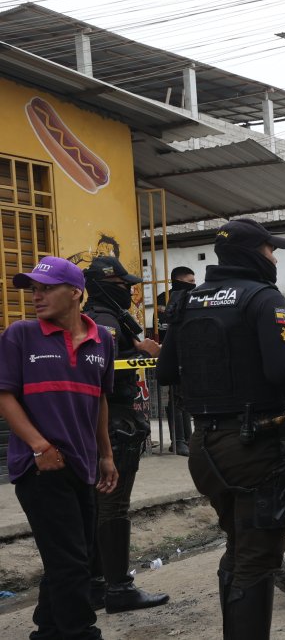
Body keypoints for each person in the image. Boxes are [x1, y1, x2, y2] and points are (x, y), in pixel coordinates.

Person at [157, 219, 285, 639]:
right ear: (251, 253)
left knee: (239, 547)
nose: (274, 258)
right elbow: (280, 370)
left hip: (204, 446)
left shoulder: (188, 300)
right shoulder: (263, 297)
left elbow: (165, 372)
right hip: (254, 445)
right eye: (270, 250)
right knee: (256, 559)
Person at [0, 256, 119, 640]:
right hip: (39, 466)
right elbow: (4, 396)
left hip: (82, 464)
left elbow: (100, 399)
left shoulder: (103, 340)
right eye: (34, 289)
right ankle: (81, 633)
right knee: (71, 562)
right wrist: (39, 447)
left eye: (46, 288)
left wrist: (106, 455)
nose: (37, 296)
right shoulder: (20, 335)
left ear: (75, 293)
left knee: (73, 555)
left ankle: (48, 632)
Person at [82, 257, 171, 614]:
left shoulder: (99, 316)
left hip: (107, 422)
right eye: (124, 286)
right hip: (114, 422)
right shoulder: (104, 320)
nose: (130, 292)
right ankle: (118, 587)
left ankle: (96, 585)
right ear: (105, 286)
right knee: (113, 506)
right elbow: (102, 368)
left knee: (98, 505)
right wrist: (140, 351)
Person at [156, 266, 196, 454]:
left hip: (189, 353)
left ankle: (188, 439)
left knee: (186, 398)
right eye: (190, 281)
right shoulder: (164, 299)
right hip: (172, 353)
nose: (194, 284)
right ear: (179, 280)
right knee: (176, 399)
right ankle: (178, 440)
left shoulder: (192, 296)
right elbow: (163, 327)